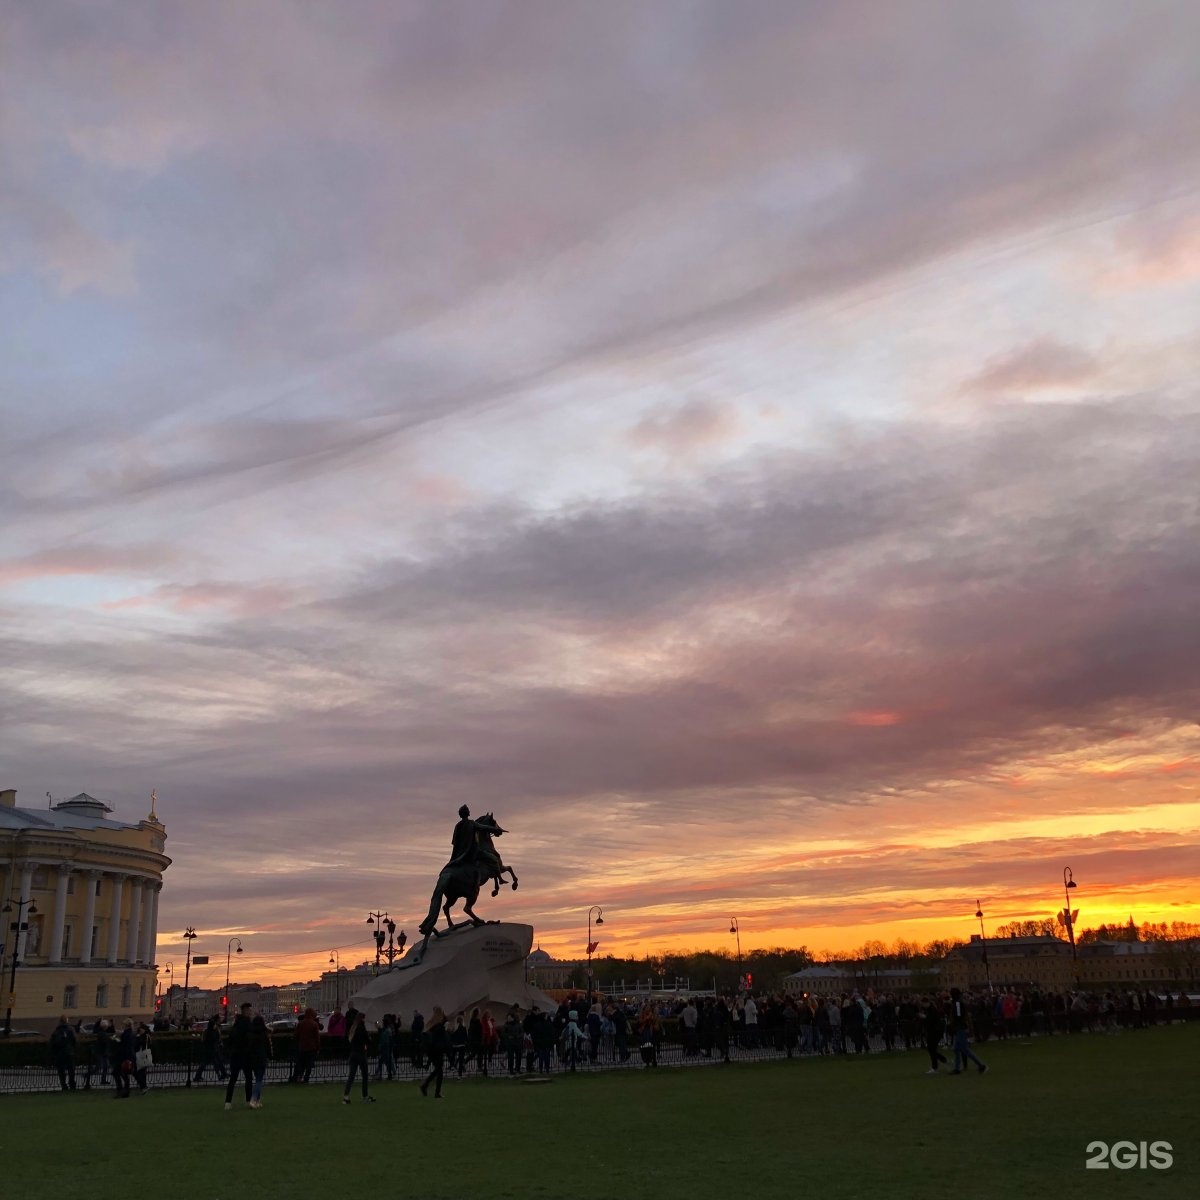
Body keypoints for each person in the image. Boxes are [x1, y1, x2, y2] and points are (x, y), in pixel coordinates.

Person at [948, 988, 988, 1075]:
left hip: (959, 1028)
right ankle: (957, 1068)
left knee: (964, 1049)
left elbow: (958, 1016)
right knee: (957, 1049)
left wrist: (953, 1025)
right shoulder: (958, 1002)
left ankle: (980, 1065)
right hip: (959, 1028)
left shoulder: (957, 1003)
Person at [224, 1002, 255, 1110]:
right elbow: (250, 1040)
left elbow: (230, 1040)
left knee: (233, 1079)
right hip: (245, 1055)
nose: (251, 1012)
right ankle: (248, 1101)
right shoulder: (248, 1024)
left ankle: (228, 1102)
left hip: (235, 1055)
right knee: (249, 1079)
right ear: (246, 1011)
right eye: (249, 1010)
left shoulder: (235, 1024)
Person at [342, 1009, 375, 1104]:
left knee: (351, 1076)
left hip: (353, 1054)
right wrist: (369, 1039)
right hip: (361, 1054)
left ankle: (346, 1097)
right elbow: (368, 1042)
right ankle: (365, 1096)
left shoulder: (353, 1028)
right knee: (365, 1076)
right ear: (362, 1019)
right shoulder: (362, 1029)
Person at [419, 1006, 448, 1098]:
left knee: (438, 1070)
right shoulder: (439, 1025)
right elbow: (441, 1038)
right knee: (439, 1070)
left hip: (431, 1050)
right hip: (437, 1050)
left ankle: (428, 1087)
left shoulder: (431, 1024)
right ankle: (432, 1089)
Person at [249, 1014, 272, 1108]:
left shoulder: (251, 1034)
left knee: (257, 1079)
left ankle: (257, 1101)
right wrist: (270, 1057)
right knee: (259, 1080)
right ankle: (253, 1099)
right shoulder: (264, 1034)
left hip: (253, 1059)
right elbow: (268, 1047)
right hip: (262, 1058)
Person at [292, 1007, 321, 1083]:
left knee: (301, 1063)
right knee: (309, 1064)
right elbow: (317, 1038)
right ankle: (306, 1078)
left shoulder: (301, 1023)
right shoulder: (314, 1024)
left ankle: (299, 1077)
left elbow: (295, 1035)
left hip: (302, 1047)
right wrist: (318, 1048)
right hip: (312, 1048)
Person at [194, 1015, 227, 1082]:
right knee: (215, 1064)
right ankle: (220, 1075)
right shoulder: (213, 1032)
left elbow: (204, 1040)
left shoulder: (207, 1031)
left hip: (209, 1050)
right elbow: (215, 1040)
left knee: (205, 1064)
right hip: (212, 1050)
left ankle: (197, 1076)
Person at [49, 1015, 78, 1091]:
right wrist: (73, 1049)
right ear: (66, 1021)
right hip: (69, 1052)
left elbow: (52, 1043)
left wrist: (54, 1053)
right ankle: (72, 1084)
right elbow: (74, 1041)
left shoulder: (56, 1031)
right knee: (71, 1070)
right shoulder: (70, 1030)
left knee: (61, 1071)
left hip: (59, 1054)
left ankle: (63, 1085)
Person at [923, 996, 948, 1074]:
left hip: (935, 1032)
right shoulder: (930, 1009)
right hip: (934, 1031)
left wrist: (924, 1018)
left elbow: (931, 1020)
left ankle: (935, 1067)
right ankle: (942, 1060)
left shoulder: (932, 1009)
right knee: (931, 1049)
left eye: (924, 1003)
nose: (923, 1005)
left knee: (931, 1049)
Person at [113, 1019, 137, 1099]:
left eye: (123, 1025)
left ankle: (121, 1090)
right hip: (129, 1056)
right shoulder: (132, 1033)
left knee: (117, 1073)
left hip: (124, 1057)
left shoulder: (126, 1034)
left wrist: (117, 1038)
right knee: (124, 1074)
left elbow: (124, 1045)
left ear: (126, 1025)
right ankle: (125, 1091)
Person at [374, 1013, 397, 1081]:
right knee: (385, 1062)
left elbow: (384, 1039)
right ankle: (382, 1074)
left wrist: (381, 1046)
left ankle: (385, 1075)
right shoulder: (387, 1029)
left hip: (386, 1049)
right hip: (386, 1048)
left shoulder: (387, 1030)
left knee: (387, 1062)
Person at [133, 1022, 153, 1094]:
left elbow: (140, 1043)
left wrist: (138, 1037)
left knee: (140, 1071)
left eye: (141, 1029)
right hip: (143, 1055)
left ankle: (143, 1086)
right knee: (141, 1071)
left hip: (143, 1055)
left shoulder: (145, 1036)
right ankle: (143, 1086)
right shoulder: (145, 1036)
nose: (140, 1030)